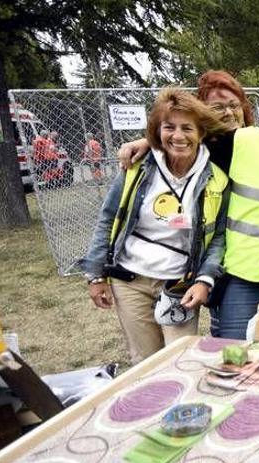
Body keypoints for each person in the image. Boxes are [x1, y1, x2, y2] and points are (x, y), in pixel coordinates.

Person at [119, 84, 259, 344]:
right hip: (245, 272)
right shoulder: (249, 141)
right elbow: (193, 141)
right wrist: (150, 143)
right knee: (236, 349)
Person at [80, 88, 230, 364]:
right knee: (145, 362)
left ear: (200, 133)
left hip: (178, 285)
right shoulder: (138, 168)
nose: (178, 136)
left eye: (187, 128)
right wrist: (96, 275)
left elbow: (218, 237)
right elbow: (109, 218)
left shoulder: (216, 179)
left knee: (180, 360)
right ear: (156, 131)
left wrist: (204, 280)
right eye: (169, 127)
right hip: (130, 281)